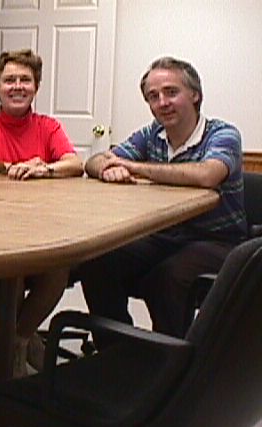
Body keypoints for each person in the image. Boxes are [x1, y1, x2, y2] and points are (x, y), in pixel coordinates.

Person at [78, 56, 247, 338]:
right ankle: (116, 351)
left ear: (195, 94)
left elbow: (207, 175)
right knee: (97, 260)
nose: (162, 102)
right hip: (164, 235)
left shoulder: (222, 133)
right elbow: (94, 161)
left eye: (171, 92)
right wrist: (106, 169)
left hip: (217, 240)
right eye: (153, 97)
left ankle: (171, 362)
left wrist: (132, 166)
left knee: (169, 278)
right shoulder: (151, 134)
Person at [0, 49, 83, 377]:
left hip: (39, 226)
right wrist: (10, 167)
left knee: (58, 268)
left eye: (25, 80)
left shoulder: (47, 126)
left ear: (36, 87)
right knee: (10, 273)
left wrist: (46, 171)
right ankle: (21, 343)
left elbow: (74, 163)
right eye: (9, 80)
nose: (17, 86)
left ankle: (18, 339)